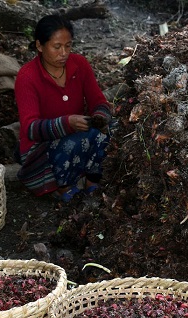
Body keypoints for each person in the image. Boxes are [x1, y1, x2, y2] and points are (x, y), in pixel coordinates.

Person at [14, 14, 113, 201]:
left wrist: (100, 117)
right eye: (57, 47)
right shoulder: (27, 76)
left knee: (112, 130)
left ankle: (93, 181)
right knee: (74, 142)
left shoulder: (79, 64)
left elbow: (99, 101)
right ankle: (63, 186)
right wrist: (67, 123)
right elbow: (30, 128)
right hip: (42, 147)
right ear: (39, 46)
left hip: (77, 133)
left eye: (68, 46)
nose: (64, 53)